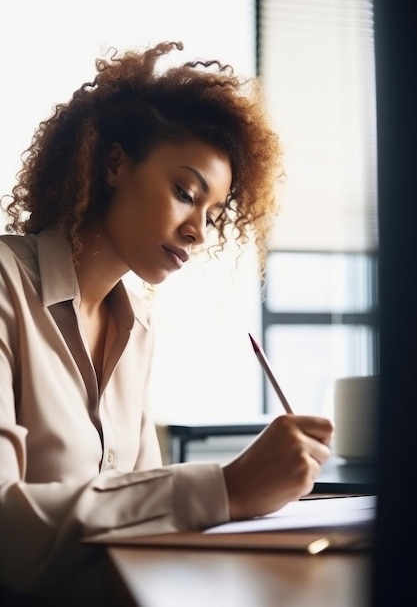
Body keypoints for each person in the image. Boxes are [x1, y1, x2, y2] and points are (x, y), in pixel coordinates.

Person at [0, 40, 333, 603]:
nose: (198, 231)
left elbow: (143, 511)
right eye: (185, 193)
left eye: (213, 214)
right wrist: (226, 487)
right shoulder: (6, 285)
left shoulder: (138, 328)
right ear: (114, 164)